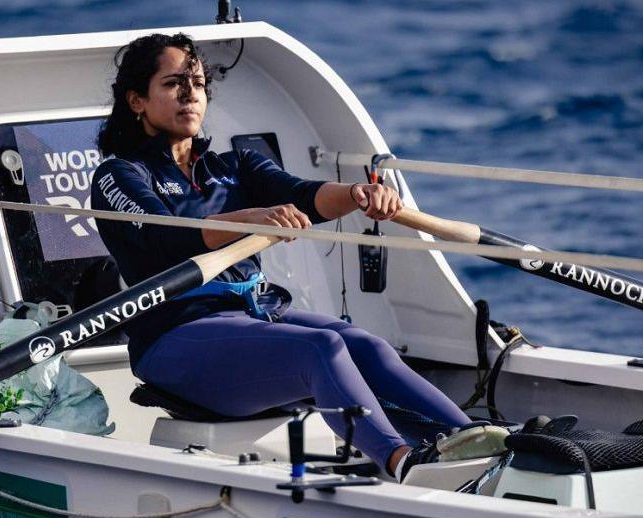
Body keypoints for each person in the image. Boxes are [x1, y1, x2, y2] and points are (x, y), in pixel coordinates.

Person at [90, 33, 473, 480]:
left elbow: (305, 196)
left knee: (365, 345)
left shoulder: (233, 166)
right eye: (174, 83)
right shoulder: (118, 175)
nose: (191, 93)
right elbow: (165, 239)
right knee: (321, 347)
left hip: (250, 317)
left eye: (197, 82)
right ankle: (400, 461)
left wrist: (357, 193)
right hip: (173, 336)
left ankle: (478, 440)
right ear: (137, 101)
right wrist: (253, 218)